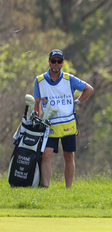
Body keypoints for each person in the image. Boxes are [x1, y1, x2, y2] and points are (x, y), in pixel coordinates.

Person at [33, 49, 94, 188]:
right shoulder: (40, 80)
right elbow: (37, 103)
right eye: (53, 61)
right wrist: (37, 120)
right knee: (46, 155)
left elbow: (89, 89)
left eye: (59, 61)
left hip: (68, 124)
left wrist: (77, 101)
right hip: (49, 124)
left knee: (68, 156)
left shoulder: (69, 78)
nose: (56, 64)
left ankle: (68, 188)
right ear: (49, 62)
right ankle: (46, 187)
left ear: (62, 63)